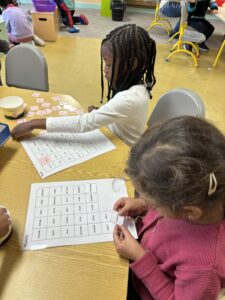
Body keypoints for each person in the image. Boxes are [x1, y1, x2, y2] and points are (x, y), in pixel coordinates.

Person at [113, 116, 225, 300]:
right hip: (135, 254)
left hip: (143, 286)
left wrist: (140, 258)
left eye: (156, 203)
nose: (153, 206)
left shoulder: (204, 269)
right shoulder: (201, 197)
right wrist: (143, 204)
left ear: (189, 211)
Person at [11, 24, 157, 147]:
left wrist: (33, 124)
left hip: (123, 151)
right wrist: (102, 111)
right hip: (113, 138)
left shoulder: (128, 99)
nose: (105, 71)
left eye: (109, 65)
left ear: (132, 64)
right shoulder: (139, 87)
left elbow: (83, 123)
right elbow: (122, 116)